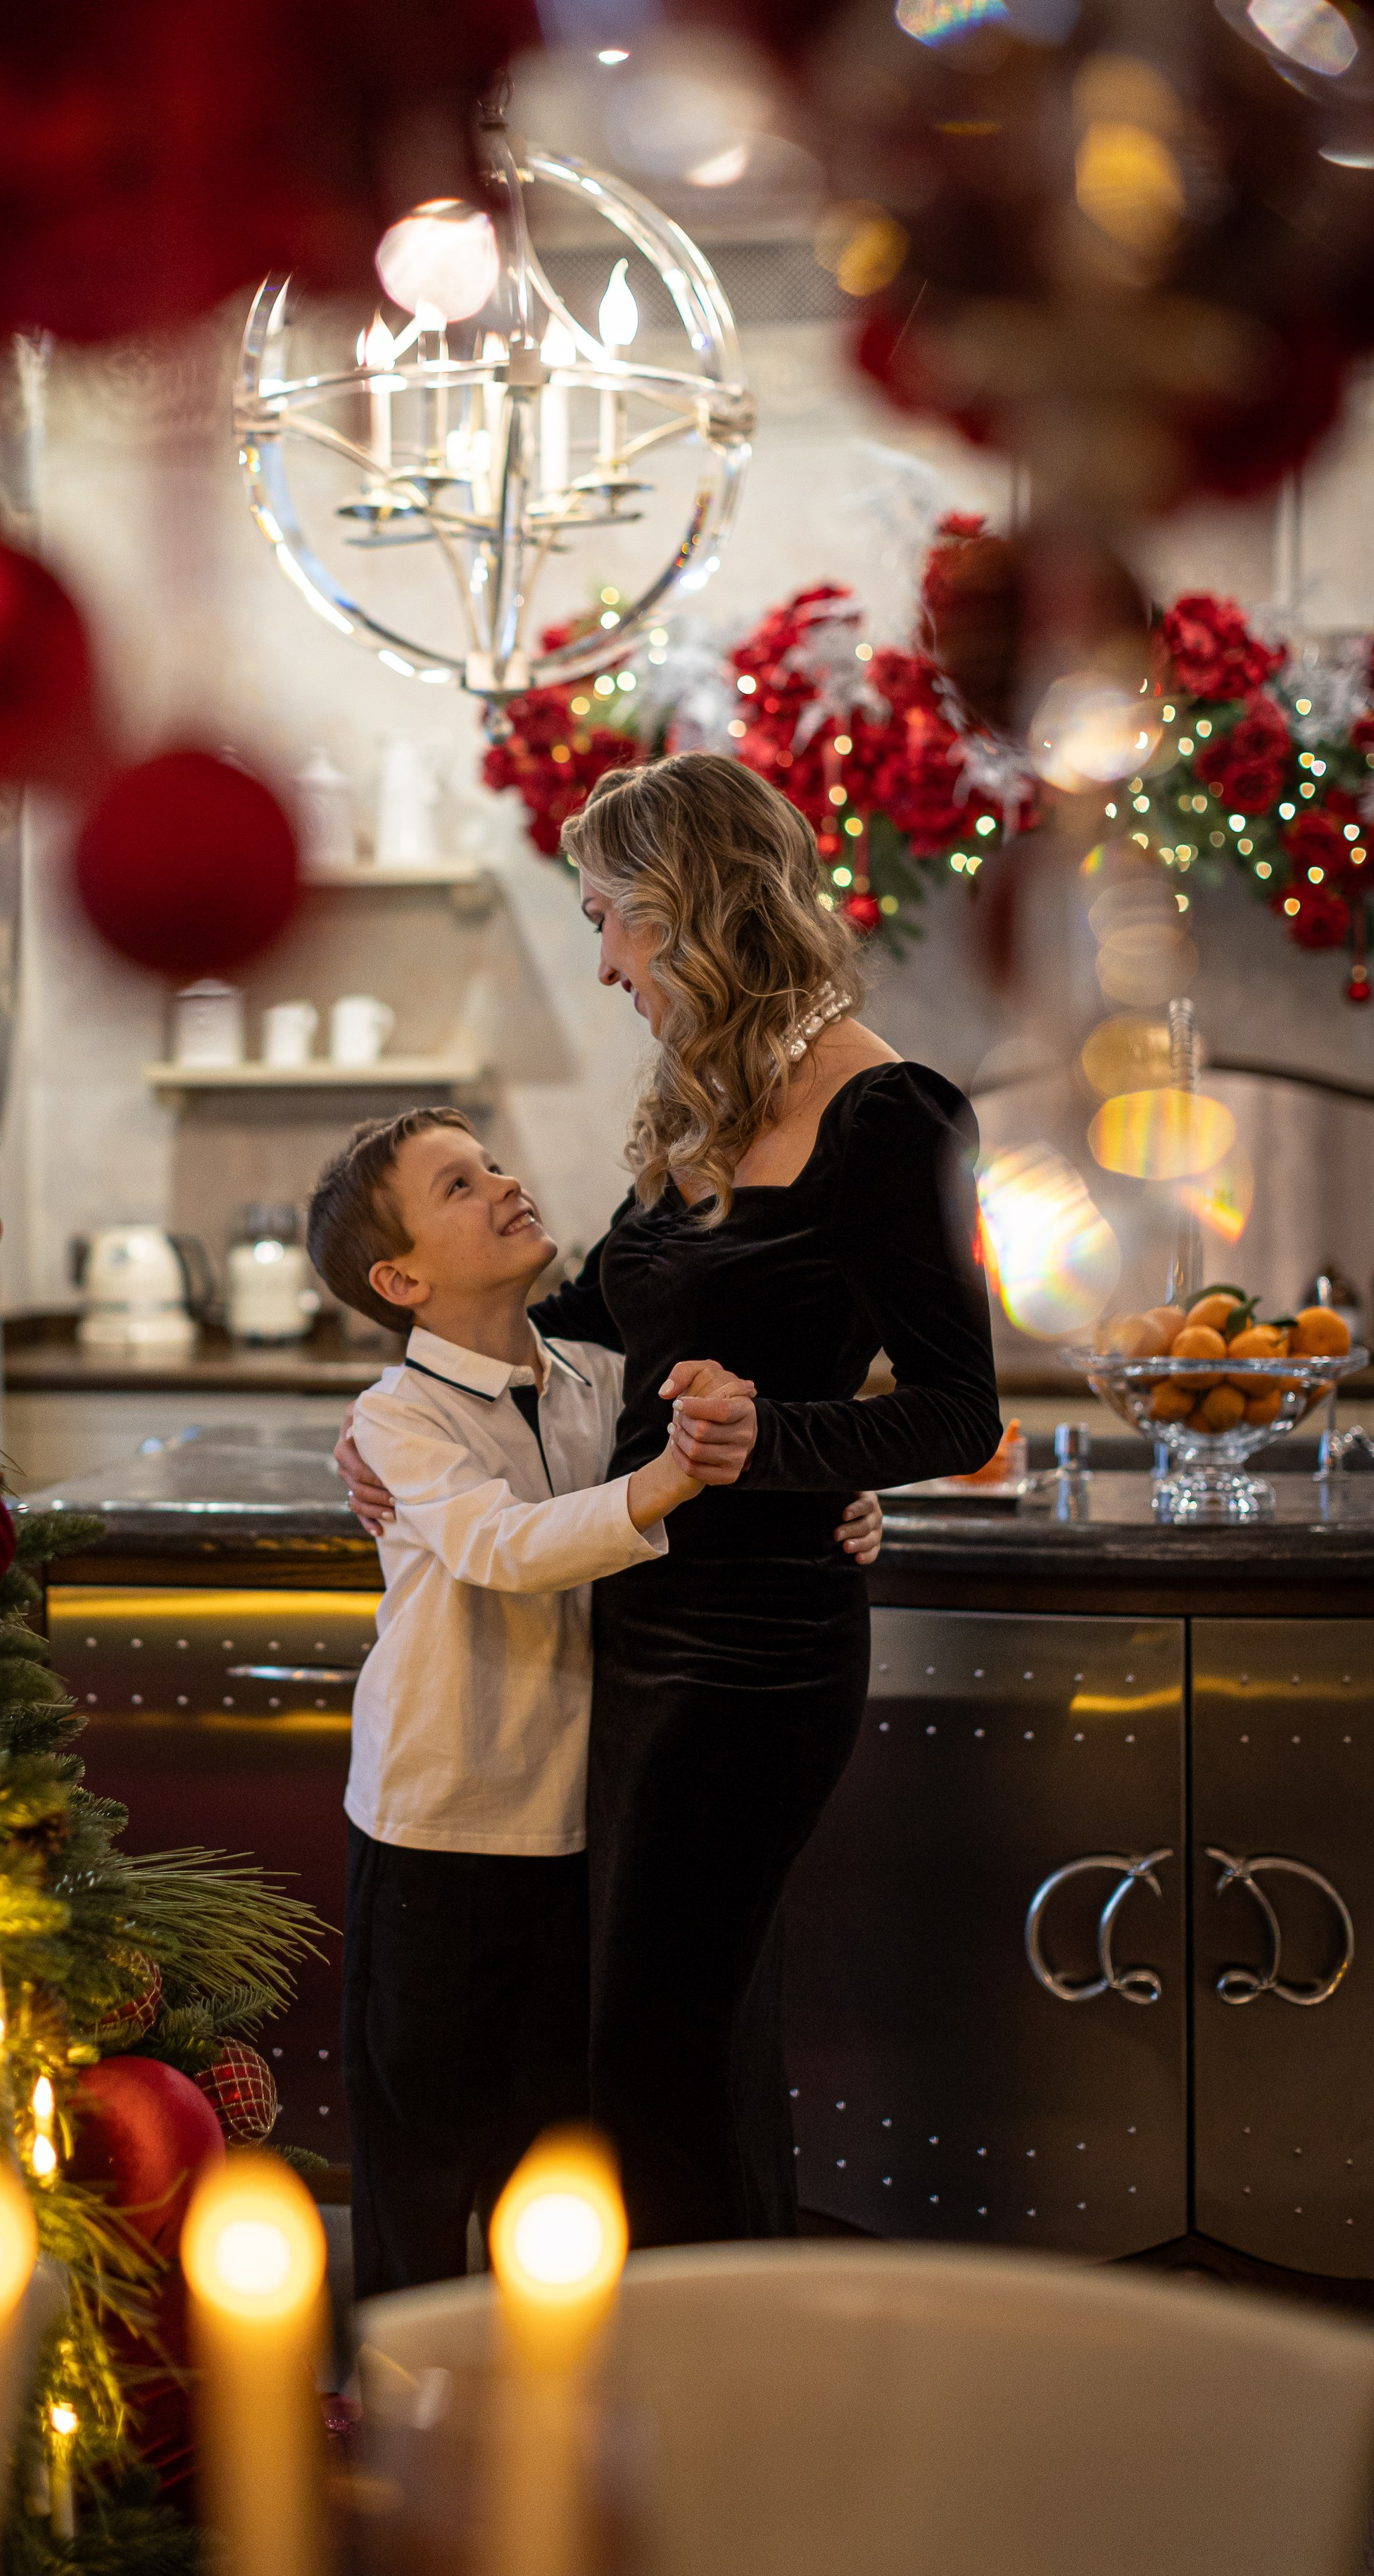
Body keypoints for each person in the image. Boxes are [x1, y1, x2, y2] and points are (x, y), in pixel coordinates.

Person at [339, 751, 1002, 2250]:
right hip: (627, 1629)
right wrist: (402, 1417)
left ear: (684, 908)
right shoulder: (704, 1095)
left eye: (608, 924)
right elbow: (580, 1324)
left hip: (757, 1658)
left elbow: (958, 1409)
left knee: (654, 2050)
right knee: (662, 2047)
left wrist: (773, 1448)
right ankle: (697, 2358)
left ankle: (716, 2390)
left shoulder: (894, 1117)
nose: (602, 965)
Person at [305, 1103, 881, 2298]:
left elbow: (746, 1476)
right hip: (437, 1832)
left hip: (572, 1831)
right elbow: (501, 1546)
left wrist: (843, 1502)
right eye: (459, 1186)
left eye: (495, 1164)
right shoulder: (396, 1418)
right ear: (399, 1276)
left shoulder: (602, 1377)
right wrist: (670, 1479)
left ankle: (538, 2404)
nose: (505, 1185)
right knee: (418, 2155)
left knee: (548, 2157)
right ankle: (396, 2405)